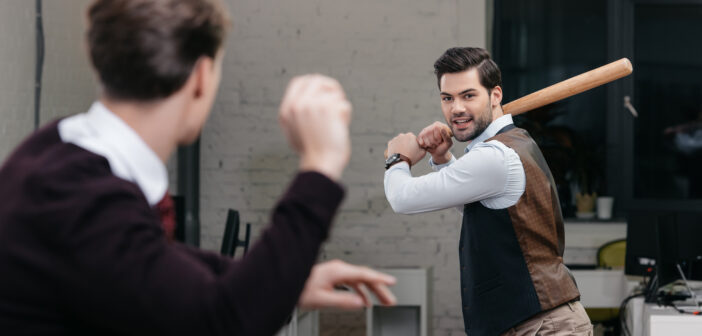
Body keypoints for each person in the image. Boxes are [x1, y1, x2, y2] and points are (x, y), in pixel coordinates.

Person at [0, 0, 396, 334]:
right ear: (202, 76)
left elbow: (150, 262)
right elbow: (225, 321)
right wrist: (320, 165)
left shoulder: (58, 152)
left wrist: (284, 280)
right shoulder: (79, 196)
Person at [383, 47, 591, 336]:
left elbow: (402, 198)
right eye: (448, 98)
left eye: (468, 95)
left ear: (495, 96)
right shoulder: (510, 145)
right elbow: (480, 208)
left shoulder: (494, 157)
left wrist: (397, 159)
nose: (456, 108)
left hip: (545, 326)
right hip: (534, 323)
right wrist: (443, 158)